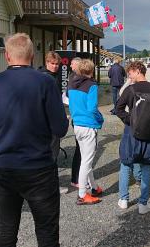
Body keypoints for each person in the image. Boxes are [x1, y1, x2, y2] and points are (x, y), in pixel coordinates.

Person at [0, 33, 68, 247]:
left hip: (6, 167)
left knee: (7, 230)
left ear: (7, 56)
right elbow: (60, 128)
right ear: (33, 56)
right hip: (40, 168)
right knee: (46, 231)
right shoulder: (45, 82)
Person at [115, 61, 150, 214]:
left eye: (130, 72)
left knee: (126, 163)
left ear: (137, 71)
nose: (129, 75)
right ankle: (143, 203)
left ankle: (123, 199)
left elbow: (118, 108)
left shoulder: (130, 89)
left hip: (131, 131)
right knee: (147, 165)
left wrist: (130, 120)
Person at [68, 59, 104, 205]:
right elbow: (92, 108)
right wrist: (100, 119)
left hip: (77, 125)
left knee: (85, 159)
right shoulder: (92, 86)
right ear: (91, 71)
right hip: (89, 126)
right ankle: (82, 194)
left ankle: (94, 187)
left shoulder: (71, 84)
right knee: (87, 162)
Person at [38, 51, 68, 194]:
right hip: (47, 123)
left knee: (47, 154)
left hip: (44, 122)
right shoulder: (45, 78)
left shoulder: (44, 76)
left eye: (57, 64)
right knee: (52, 155)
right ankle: (51, 186)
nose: (55, 66)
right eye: (52, 63)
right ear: (46, 63)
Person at [69, 57, 83, 188]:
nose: (71, 66)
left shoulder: (75, 77)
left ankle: (78, 177)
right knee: (80, 150)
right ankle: (76, 178)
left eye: (73, 64)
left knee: (81, 150)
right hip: (79, 118)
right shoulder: (75, 78)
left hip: (77, 117)